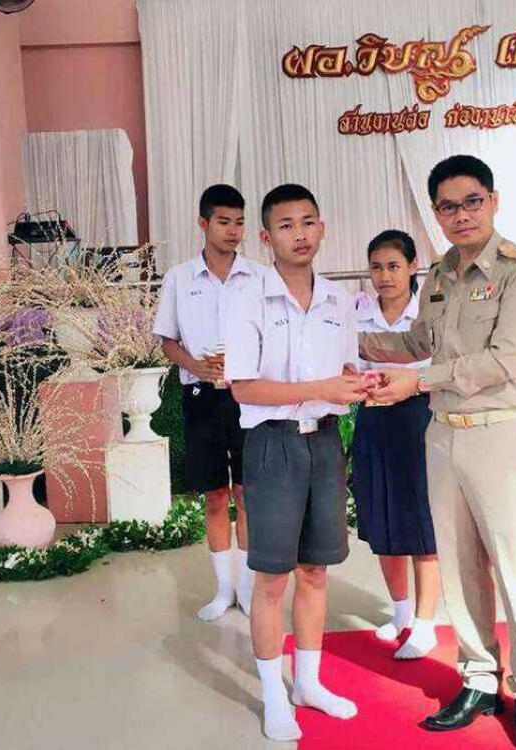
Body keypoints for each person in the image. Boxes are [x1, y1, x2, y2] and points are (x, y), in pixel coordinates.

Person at [360, 155, 516, 747]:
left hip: (499, 432)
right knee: (459, 563)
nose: (462, 214)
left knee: (513, 563)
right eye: (448, 206)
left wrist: (418, 381)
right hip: (443, 433)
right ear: (436, 213)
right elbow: (419, 340)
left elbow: (504, 359)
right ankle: (477, 677)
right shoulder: (440, 276)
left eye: (472, 201)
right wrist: (334, 338)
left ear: (493, 200)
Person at [225, 183, 365, 742]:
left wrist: (361, 385)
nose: (299, 234)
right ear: (266, 237)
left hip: (324, 443)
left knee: (315, 571)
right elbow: (244, 388)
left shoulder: (338, 300)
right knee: (271, 579)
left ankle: (308, 683)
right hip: (272, 445)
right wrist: (320, 388)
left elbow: (345, 372)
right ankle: (273, 695)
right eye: (286, 225)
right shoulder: (247, 299)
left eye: (308, 222)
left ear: (322, 228)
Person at [153, 183, 258, 621]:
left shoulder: (258, 276)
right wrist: (197, 366)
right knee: (215, 495)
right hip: (200, 397)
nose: (233, 231)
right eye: (223, 222)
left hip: (249, 396)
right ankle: (223, 589)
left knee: (247, 492)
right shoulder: (179, 278)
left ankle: (248, 590)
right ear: (203, 223)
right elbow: (167, 341)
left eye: (239, 223)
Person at [353, 229, 439, 660]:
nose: (384, 276)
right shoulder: (357, 313)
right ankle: (401, 611)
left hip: (419, 420)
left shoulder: (429, 313)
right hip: (373, 420)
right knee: (382, 517)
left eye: (393, 266)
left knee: (421, 522)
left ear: (412, 267)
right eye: (376, 267)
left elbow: (440, 368)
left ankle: (426, 624)